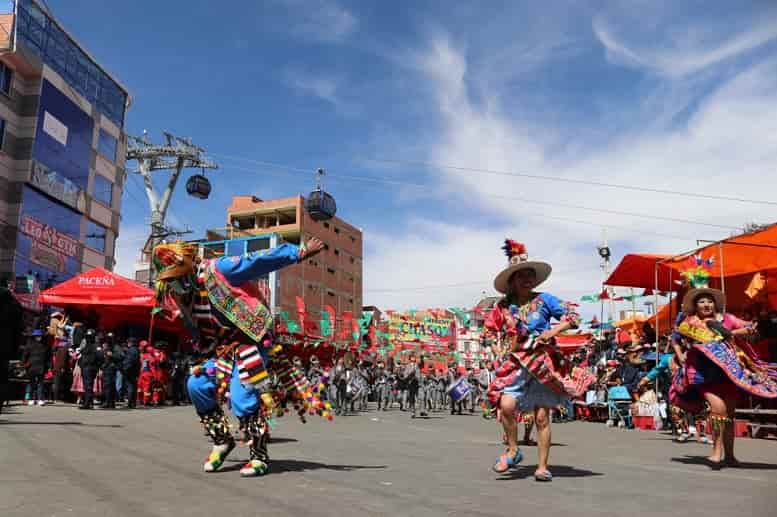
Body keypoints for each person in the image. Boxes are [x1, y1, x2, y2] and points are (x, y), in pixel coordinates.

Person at [153, 237, 331, 477]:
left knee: (241, 395)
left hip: (251, 343)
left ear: (187, 266)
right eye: (170, 282)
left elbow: (257, 261)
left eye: (176, 278)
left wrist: (298, 253)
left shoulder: (219, 269)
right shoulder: (184, 298)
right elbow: (201, 331)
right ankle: (222, 440)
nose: (174, 286)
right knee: (196, 384)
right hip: (223, 350)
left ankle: (259, 455)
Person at [485, 240, 592, 482]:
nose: (527, 279)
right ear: (512, 280)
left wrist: (553, 332)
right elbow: (490, 330)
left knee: (542, 417)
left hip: (543, 363)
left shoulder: (546, 300)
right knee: (506, 406)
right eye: (521, 275)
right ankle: (513, 449)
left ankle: (542, 466)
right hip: (516, 364)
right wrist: (496, 348)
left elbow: (573, 316)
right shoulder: (503, 306)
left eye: (530, 275)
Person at [669, 257, 777, 469]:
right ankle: (716, 451)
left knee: (730, 414)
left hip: (729, 372)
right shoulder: (690, 323)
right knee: (718, 409)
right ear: (695, 305)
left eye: (709, 300)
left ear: (715, 303)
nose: (706, 304)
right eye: (701, 301)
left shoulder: (727, 319)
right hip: (704, 373)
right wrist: (680, 354)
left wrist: (749, 328)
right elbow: (682, 338)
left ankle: (730, 455)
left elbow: (749, 329)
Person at [23, 329, 50, 405]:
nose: (39, 337)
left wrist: (49, 365)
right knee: (32, 383)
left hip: (42, 366)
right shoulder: (29, 345)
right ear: (34, 337)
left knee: (41, 383)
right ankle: (31, 398)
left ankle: (40, 399)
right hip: (31, 366)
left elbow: (48, 356)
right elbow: (25, 355)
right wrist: (24, 364)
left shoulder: (45, 346)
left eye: (40, 336)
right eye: (37, 336)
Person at [78, 329, 101, 410]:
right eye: (87, 337)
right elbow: (82, 356)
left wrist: (96, 367)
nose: (88, 338)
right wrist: (80, 364)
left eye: (90, 337)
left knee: (88, 386)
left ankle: (88, 403)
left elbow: (100, 357)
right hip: (85, 367)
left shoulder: (96, 346)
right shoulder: (86, 345)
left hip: (90, 367)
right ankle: (88, 402)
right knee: (86, 386)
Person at [100, 332, 123, 409]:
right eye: (108, 338)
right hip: (106, 368)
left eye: (110, 338)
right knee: (108, 386)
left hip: (111, 368)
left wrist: (112, 355)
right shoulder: (107, 346)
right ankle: (109, 402)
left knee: (109, 386)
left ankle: (109, 402)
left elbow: (121, 356)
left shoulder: (116, 347)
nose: (109, 340)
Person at [122, 338, 141, 409]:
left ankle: (130, 403)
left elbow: (129, 361)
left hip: (130, 371)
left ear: (131, 343)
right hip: (135, 371)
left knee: (130, 387)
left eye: (128, 342)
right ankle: (133, 403)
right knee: (134, 386)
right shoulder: (137, 350)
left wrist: (125, 369)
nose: (128, 343)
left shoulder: (130, 350)